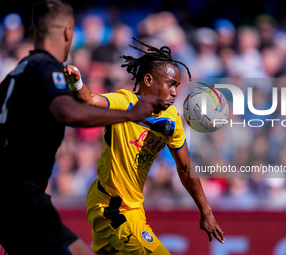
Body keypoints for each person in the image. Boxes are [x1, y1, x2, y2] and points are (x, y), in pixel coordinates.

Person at [0, 1, 159, 255]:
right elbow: (67, 111)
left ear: (32, 32)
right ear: (68, 32)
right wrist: (130, 113)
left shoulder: (12, 77)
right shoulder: (46, 67)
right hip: (23, 197)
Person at [64, 37, 225, 255]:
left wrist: (206, 210)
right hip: (110, 205)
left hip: (135, 208)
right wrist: (76, 83)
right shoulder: (125, 103)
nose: (175, 93)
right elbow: (90, 99)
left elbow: (185, 168)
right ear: (149, 80)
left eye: (177, 86)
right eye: (170, 85)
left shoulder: (171, 120)